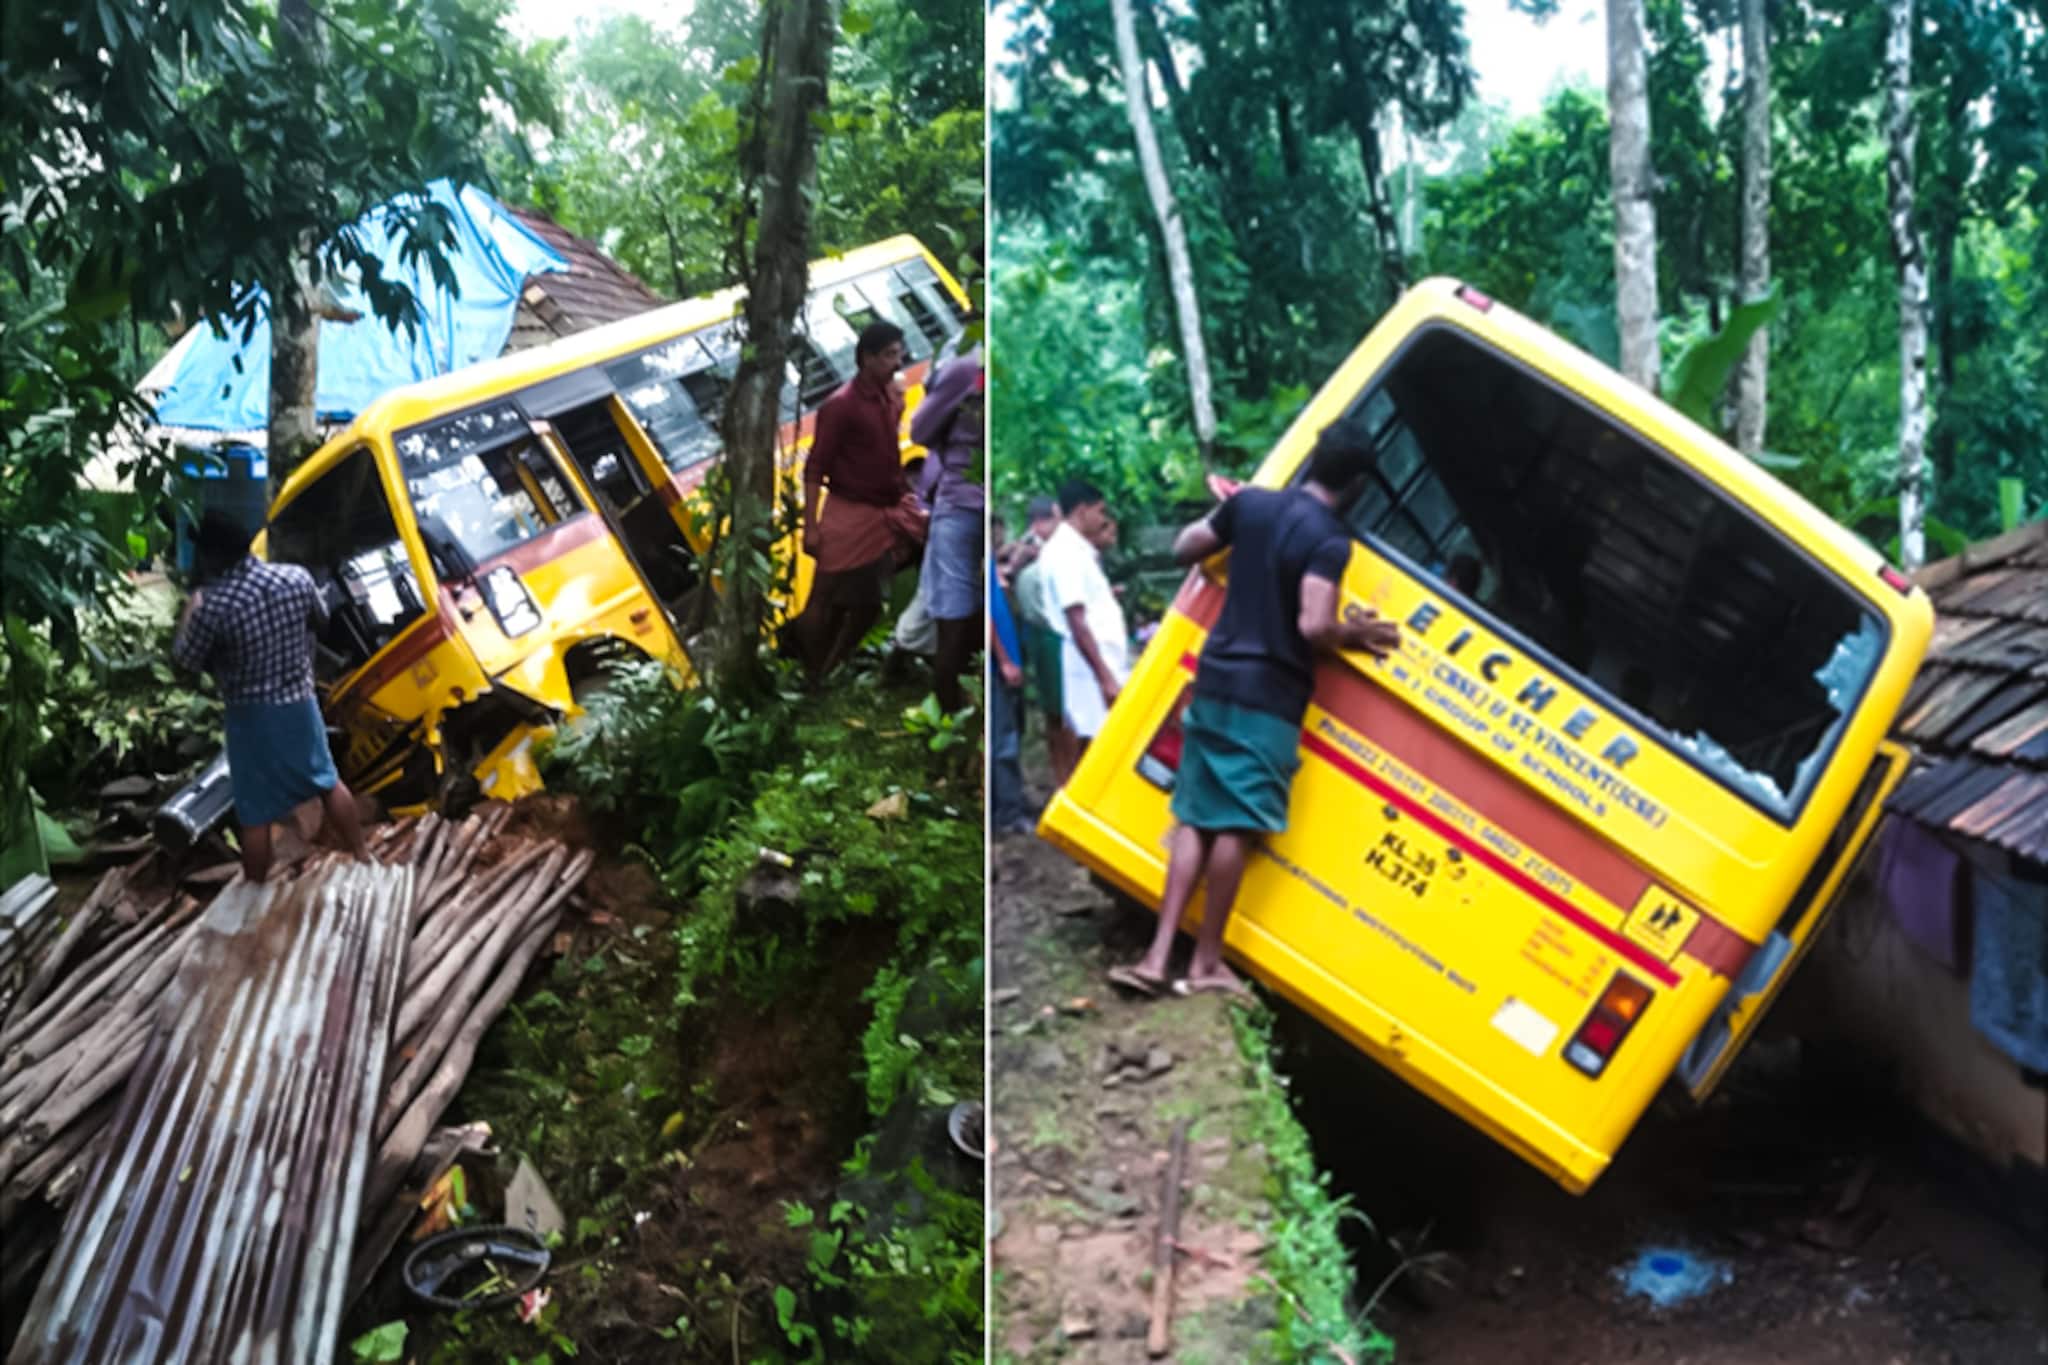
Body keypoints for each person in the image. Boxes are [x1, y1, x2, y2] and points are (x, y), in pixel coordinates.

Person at [1108, 419, 1402, 1000]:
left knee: (1194, 811)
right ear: (1358, 484)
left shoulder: (1251, 506)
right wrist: (1354, 633)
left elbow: (1186, 545)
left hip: (1216, 676)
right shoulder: (1329, 541)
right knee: (1237, 823)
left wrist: (1234, 521)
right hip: (1269, 696)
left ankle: (1157, 955)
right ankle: (1207, 963)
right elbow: (1313, 624)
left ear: (1315, 458)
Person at [172, 511, 371, 883]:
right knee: (327, 782)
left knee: (255, 811)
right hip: (300, 703)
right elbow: (322, 619)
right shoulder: (295, 577)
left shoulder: (212, 605)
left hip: (251, 718)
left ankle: (256, 889)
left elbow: (186, 661)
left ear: (212, 556)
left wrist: (190, 607)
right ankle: (361, 855)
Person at [796, 321, 925, 684]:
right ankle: (812, 677)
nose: (897, 363)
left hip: (890, 504)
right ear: (865, 358)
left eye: (899, 354)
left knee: (868, 604)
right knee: (821, 599)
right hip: (849, 511)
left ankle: (834, 665)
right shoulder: (840, 406)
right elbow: (815, 467)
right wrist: (811, 527)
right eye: (888, 356)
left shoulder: (889, 393)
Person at [910, 351, 985, 713]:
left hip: (962, 502)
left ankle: (947, 722)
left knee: (953, 621)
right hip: (996, 509)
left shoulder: (968, 366)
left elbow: (920, 430)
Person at [1037, 480, 1128, 757]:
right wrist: (1105, 678)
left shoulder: (1076, 550)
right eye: (1100, 512)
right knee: (1098, 744)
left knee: (1102, 741)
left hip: (1097, 661)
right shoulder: (1067, 552)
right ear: (1082, 510)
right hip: (1091, 665)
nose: (1102, 520)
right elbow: (1076, 619)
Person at [1007, 495, 1076, 784]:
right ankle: (1065, 776)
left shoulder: (1058, 550)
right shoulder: (1028, 552)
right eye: (1055, 519)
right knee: (1058, 711)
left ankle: (1068, 775)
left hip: (1054, 635)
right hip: (1047, 635)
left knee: (1064, 712)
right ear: (1040, 522)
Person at [988, 516, 1033, 834]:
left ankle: (1009, 802)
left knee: (1008, 734)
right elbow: (988, 618)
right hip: (997, 666)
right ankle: (1008, 813)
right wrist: (1004, 661)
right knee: (1003, 741)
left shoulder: (992, 565)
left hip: (1002, 663)